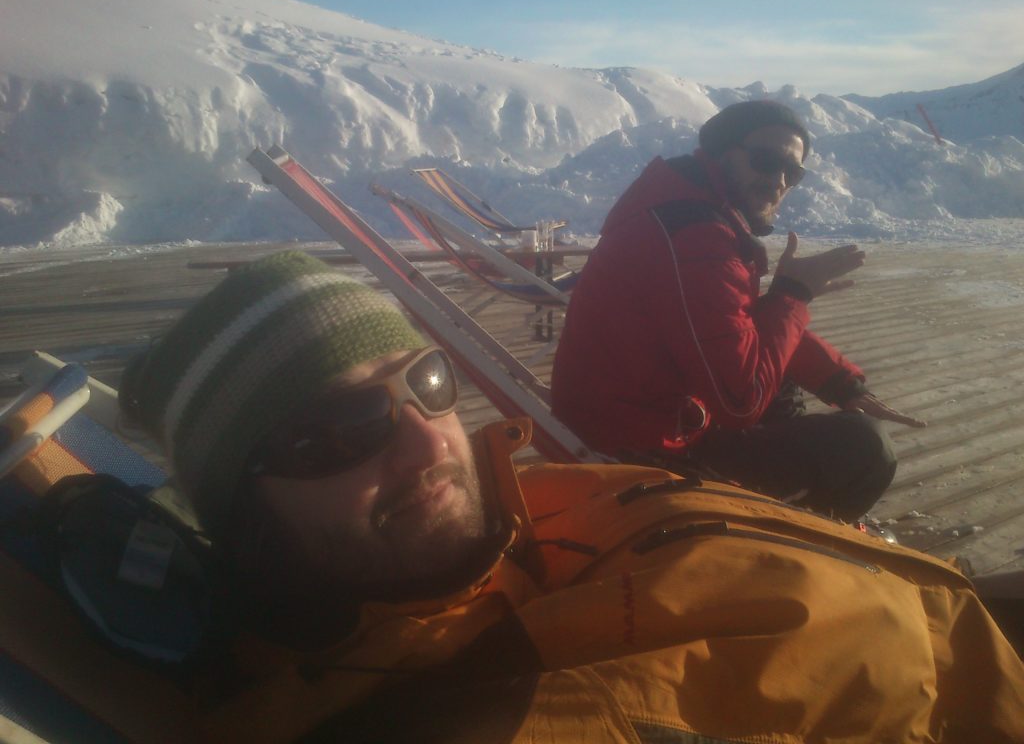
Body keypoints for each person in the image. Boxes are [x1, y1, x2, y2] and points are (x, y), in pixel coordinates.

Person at [119, 251, 1024, 743]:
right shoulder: (453, 708)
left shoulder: (525, 507)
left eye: (425, 381)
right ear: (245, 511)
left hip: (953, 614)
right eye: (339, 429)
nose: (429, 441)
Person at [551, 100, 924, 522]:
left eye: (793, 172)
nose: (778, 181)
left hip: (629, 417)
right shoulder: (697, 237)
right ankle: (802, 539)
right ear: (721, 154)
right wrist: (793, 294)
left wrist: (839, 382)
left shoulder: (683, 210)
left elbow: (736, 327)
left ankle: (794, 504)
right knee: (866, 447)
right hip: (638, 451)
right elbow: (740, 404)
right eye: (766, 161)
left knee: (777, 366)